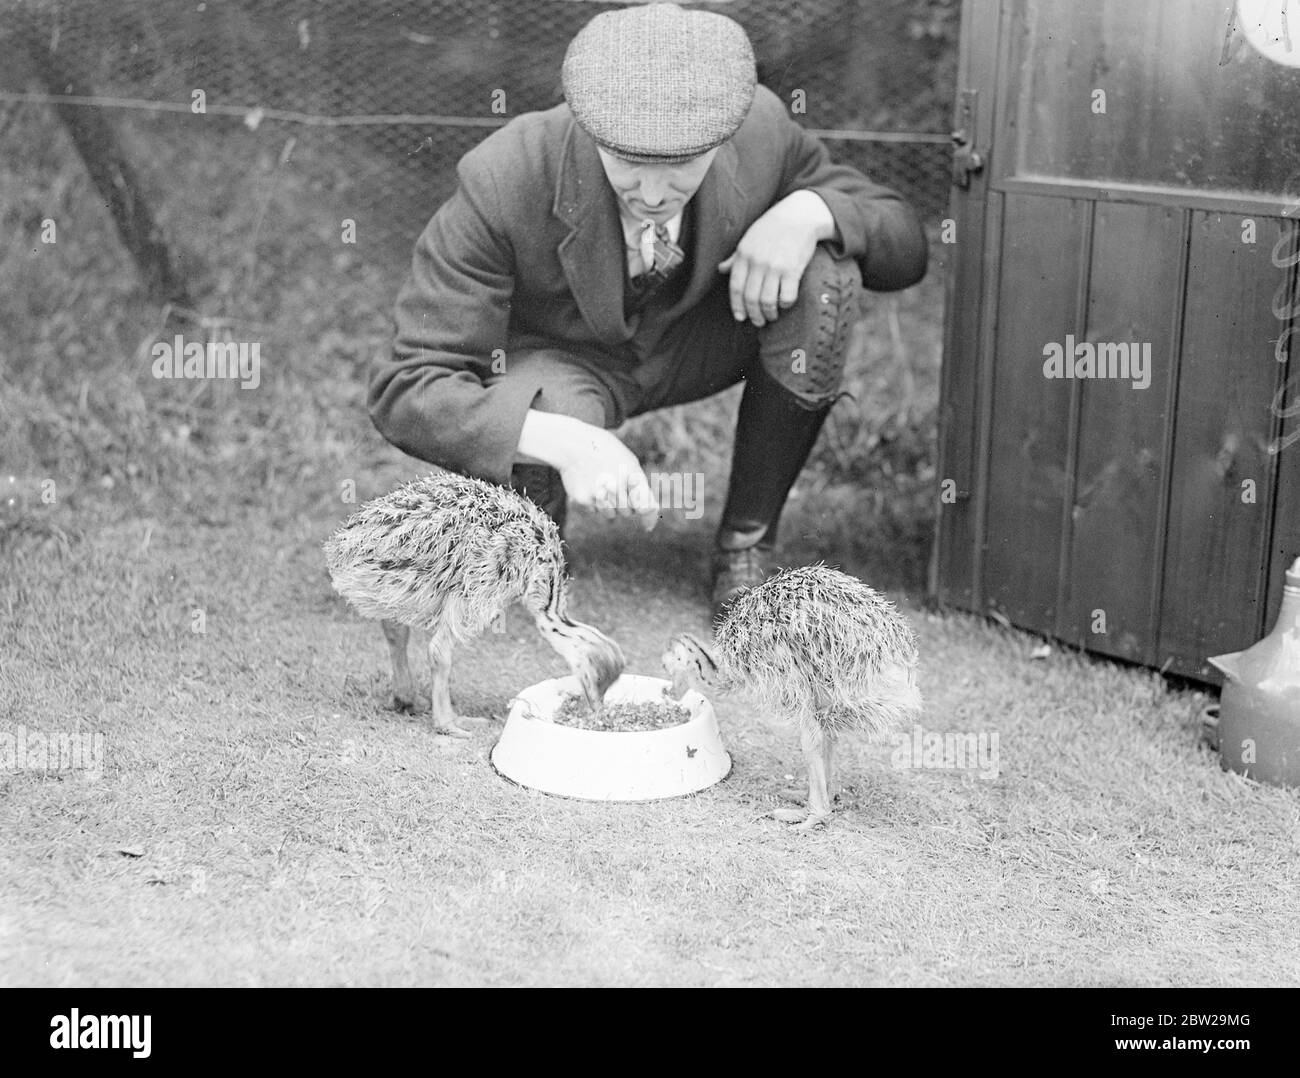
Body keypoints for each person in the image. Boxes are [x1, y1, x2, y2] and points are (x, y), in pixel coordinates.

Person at [368, 2, 927, 619]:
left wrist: (811, 212)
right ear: (590, 129)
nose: (655, 195)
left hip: (700, 342)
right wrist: (560, 440)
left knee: (827, 275)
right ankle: (532, 549)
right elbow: (408, 387)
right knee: (541, 437)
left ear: (722, 137)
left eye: (682, 166)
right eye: (630, 164)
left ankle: (746, 547)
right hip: (562, 369)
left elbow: (905, 244)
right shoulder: (505, 174)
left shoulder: (762, 130)